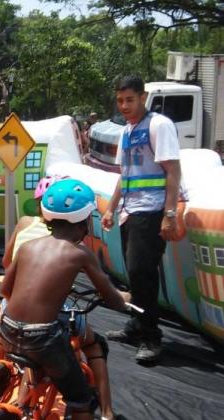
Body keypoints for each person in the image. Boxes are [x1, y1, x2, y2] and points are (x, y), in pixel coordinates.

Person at [0, 179, 131, 420]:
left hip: (6, 329)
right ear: (84, 222)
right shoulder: (80, 253)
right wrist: (123, 301)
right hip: (42, 339)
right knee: (81, 400)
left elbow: (6, 289)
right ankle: (105, 413)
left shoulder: (28, 246)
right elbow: (111, 297)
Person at [101, 75, 181, 364]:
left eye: (130, 99)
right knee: (134, 274)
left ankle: (151, 338)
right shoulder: (127, 130)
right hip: (130, 211)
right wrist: (111, 208)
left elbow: (173, 171)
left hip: (152, 210)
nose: (124, 105)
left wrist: (169, 214)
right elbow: (126, 174)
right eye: (120, 100)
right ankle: (136, 326)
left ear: (143, 97)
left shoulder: (159, 125)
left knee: (142, 273)